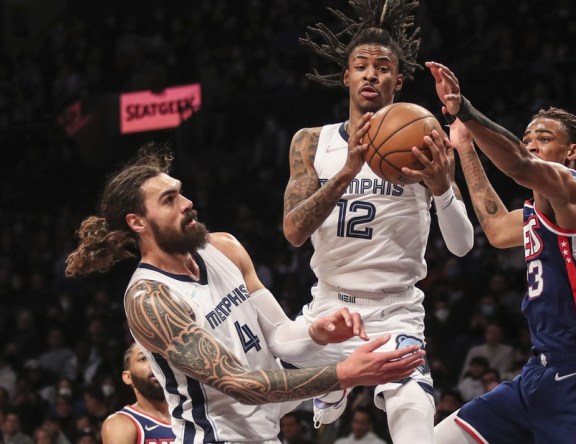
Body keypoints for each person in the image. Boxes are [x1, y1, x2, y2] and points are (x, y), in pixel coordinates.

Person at [64, 147, 425, 443]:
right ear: (137, 222)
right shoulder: (150, 298)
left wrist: (317, 332)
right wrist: (343, 374)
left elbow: (280, 335)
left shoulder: (223, 248)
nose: (187, 202)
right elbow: (240, 384)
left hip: (266, 433)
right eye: (169, 199)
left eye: (181, 191)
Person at [283, 1, 474, 442]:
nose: (371, 74)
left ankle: (336, 387)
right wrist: (347, 172)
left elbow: (462, 246)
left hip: (396, 315)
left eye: (382, 67)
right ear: (346, 76)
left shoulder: (426, 141)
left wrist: (443, 188)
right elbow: (294, 232)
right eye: (361, 66)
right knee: (247, 405)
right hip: (328, 310)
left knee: (414, 429)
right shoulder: (312, 141)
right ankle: (332, 387)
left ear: (398, 81)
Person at [428, 61, 576, 443]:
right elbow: (493, 227)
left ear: (572, 151)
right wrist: (466, 148)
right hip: (536, 372)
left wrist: (465, 112)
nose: (531, 143)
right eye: (527, 137)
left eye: (543, 137)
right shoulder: (536, 214)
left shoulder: (575, 191)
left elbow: (520, 166)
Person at [101, 343, 176, 444]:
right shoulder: (121, 424)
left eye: (158, 358)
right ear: (128, 377)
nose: (154, 363)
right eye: (143, 359)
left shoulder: (191, 414)